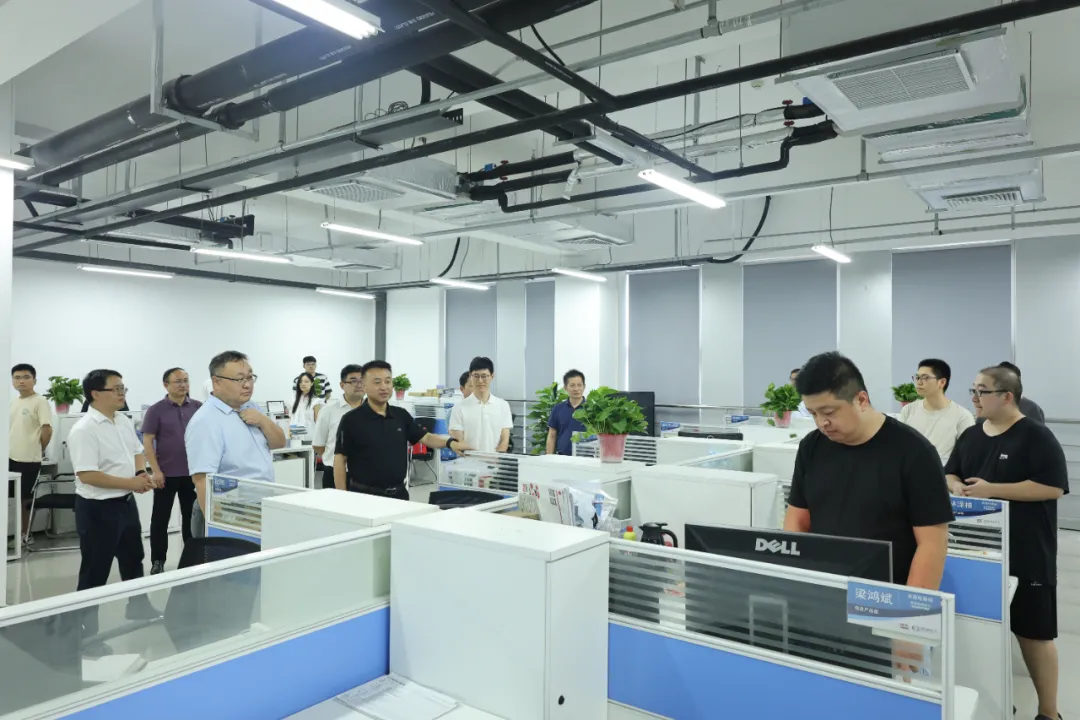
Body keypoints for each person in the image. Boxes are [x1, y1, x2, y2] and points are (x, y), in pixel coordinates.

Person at [946, 366, 1068, 720]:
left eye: (981, 391)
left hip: (1027, 550)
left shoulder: (1035, 436)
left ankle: (1049, 712)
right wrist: (956, 485)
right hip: (977, 549)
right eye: (972, 390)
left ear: (1006, 396)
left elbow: (1053, 487)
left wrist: (992, 491)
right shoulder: (971, 434)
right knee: (983, 627)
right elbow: (951, 471)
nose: (974, 397)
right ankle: (997, 698)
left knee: (1033, 633)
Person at [784, 352, 954, 589]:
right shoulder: (811, 446)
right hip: (825, 589)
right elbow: (797, 520)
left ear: (861, 400)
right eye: (813, 413)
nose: (822, 423)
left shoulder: (914, 453)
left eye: (829, 412)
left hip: (885, 594)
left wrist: (910, 607)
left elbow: (932, 544)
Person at [67, 370, 158, 628]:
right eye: (116, 389)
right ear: (95, 394)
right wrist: (131, 483)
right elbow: (87, 475)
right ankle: (84, 630)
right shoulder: (84, 429)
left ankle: (139, 608)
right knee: (96, 569)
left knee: (134, 558)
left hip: (125, 503)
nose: (121, 393)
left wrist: (139, 474)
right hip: (97, 509)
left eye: (123, 388)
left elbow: (137, 451)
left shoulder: (122, 420)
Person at [335, 360, 471, 500]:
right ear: (364, 385)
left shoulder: (400, 415)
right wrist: (342, 497)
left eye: (388, 381)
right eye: (377, 382)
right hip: (364, 496)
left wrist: (450, 443)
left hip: (399, 495)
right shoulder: (351, 419)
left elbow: (426, 437)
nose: (384, 387)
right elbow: (340, 459)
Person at [185, 351, 286, 538]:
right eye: (239, 379)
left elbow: (279, 442)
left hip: (260, 505)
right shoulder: (206, 420)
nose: (247, 384)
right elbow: (202, 481)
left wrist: (263, 420)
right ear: (216, 382)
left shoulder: (251, 406)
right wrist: (219, 529)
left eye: (250, 377)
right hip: (228, 511)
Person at [141, 368, 201, 574]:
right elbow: (147, 442)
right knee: (160, 519)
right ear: (166, 385)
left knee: (191, 518)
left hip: (193, 473)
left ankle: (192, 558)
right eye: (178, 381)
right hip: (165, 474)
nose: (183, 385)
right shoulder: (156, 410)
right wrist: (155, 471)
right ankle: (158, 561)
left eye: (186, 380)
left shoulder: (198, 407)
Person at [899, 358, 975, 465]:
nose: (919, 382)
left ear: (942, 382)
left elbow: (967, 456)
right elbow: (900, 447)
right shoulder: (908, 410)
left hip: (944, 472)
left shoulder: (963, 416)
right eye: (917, 377)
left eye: (925, 378)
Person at [10, 364, 52, 545]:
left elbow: (47, 429)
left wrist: (39, 449)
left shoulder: (40, 401)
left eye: (26, 377)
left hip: (29, 460)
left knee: (25, 499)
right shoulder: (13, 402)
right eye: (17, 377)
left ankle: (25, 535)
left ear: (34, 380)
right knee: (12, 498)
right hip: (10, 458)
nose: (21, 381)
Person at [313, 364, 366, 489]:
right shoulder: (328, 411)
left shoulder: (373, 410)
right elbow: (318, 445)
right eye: (353, 381)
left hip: (366, 474)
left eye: (362, 381)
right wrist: (336, 459)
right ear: (342, 385)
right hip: (333, 473)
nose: (359, 385)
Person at [449, 357, 513, 453]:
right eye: (476, 376)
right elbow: (459, 441)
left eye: (484, 376)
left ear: (492, 376)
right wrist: (475, 457)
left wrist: (496, 457)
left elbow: (505, 440)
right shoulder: (459, 408)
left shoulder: (503, 405)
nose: (480, 380)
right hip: (468, 460)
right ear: (470, 376)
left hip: (495, 460)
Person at [546, 369, 586, 456]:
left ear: (584, 386)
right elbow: (552, 435)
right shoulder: (558, 409)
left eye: (579, 385)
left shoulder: (592, 409)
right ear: (565, 388)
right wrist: (549, 458)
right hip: (563, 457)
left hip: (586, 456)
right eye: (572, 385)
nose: (576, 389)